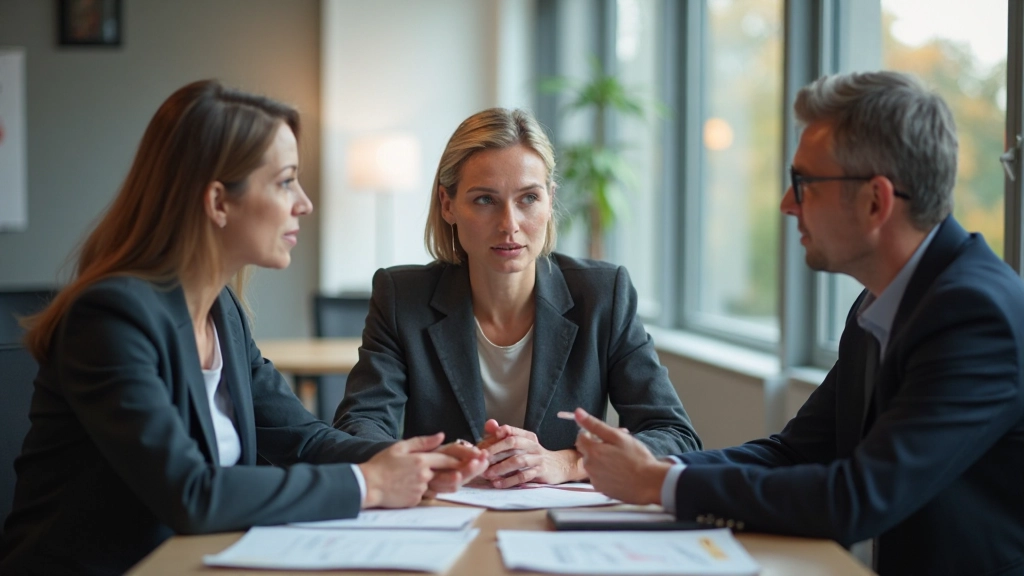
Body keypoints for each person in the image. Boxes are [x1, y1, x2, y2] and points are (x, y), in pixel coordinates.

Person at [0, 80, 485, 576]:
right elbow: (189, 492)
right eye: (285, 181)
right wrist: (371, 485)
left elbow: (305, 440)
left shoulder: (221, 311)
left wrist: (410, 461)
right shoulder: (110, 318)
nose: (304, 203)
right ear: (218, 202)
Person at [573, 70, 1024, 576]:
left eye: (804, 183)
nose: (788, 205)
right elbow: (795, 452)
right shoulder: (882, 301)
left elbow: (858, 498)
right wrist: (657, 468)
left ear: (876, 200)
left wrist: (657, 485)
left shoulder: (975, 315)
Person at [334, 107, 701, 489]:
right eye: (484, 200)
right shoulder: (402, 298)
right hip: (445, 515)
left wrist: (567, 463)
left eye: (528, 198)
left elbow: (674, 434)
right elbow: (358, 426)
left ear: (549, 200)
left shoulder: (603, 295)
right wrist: (426, 463)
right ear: (448, 205)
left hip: (561, 526)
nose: (509, 224)